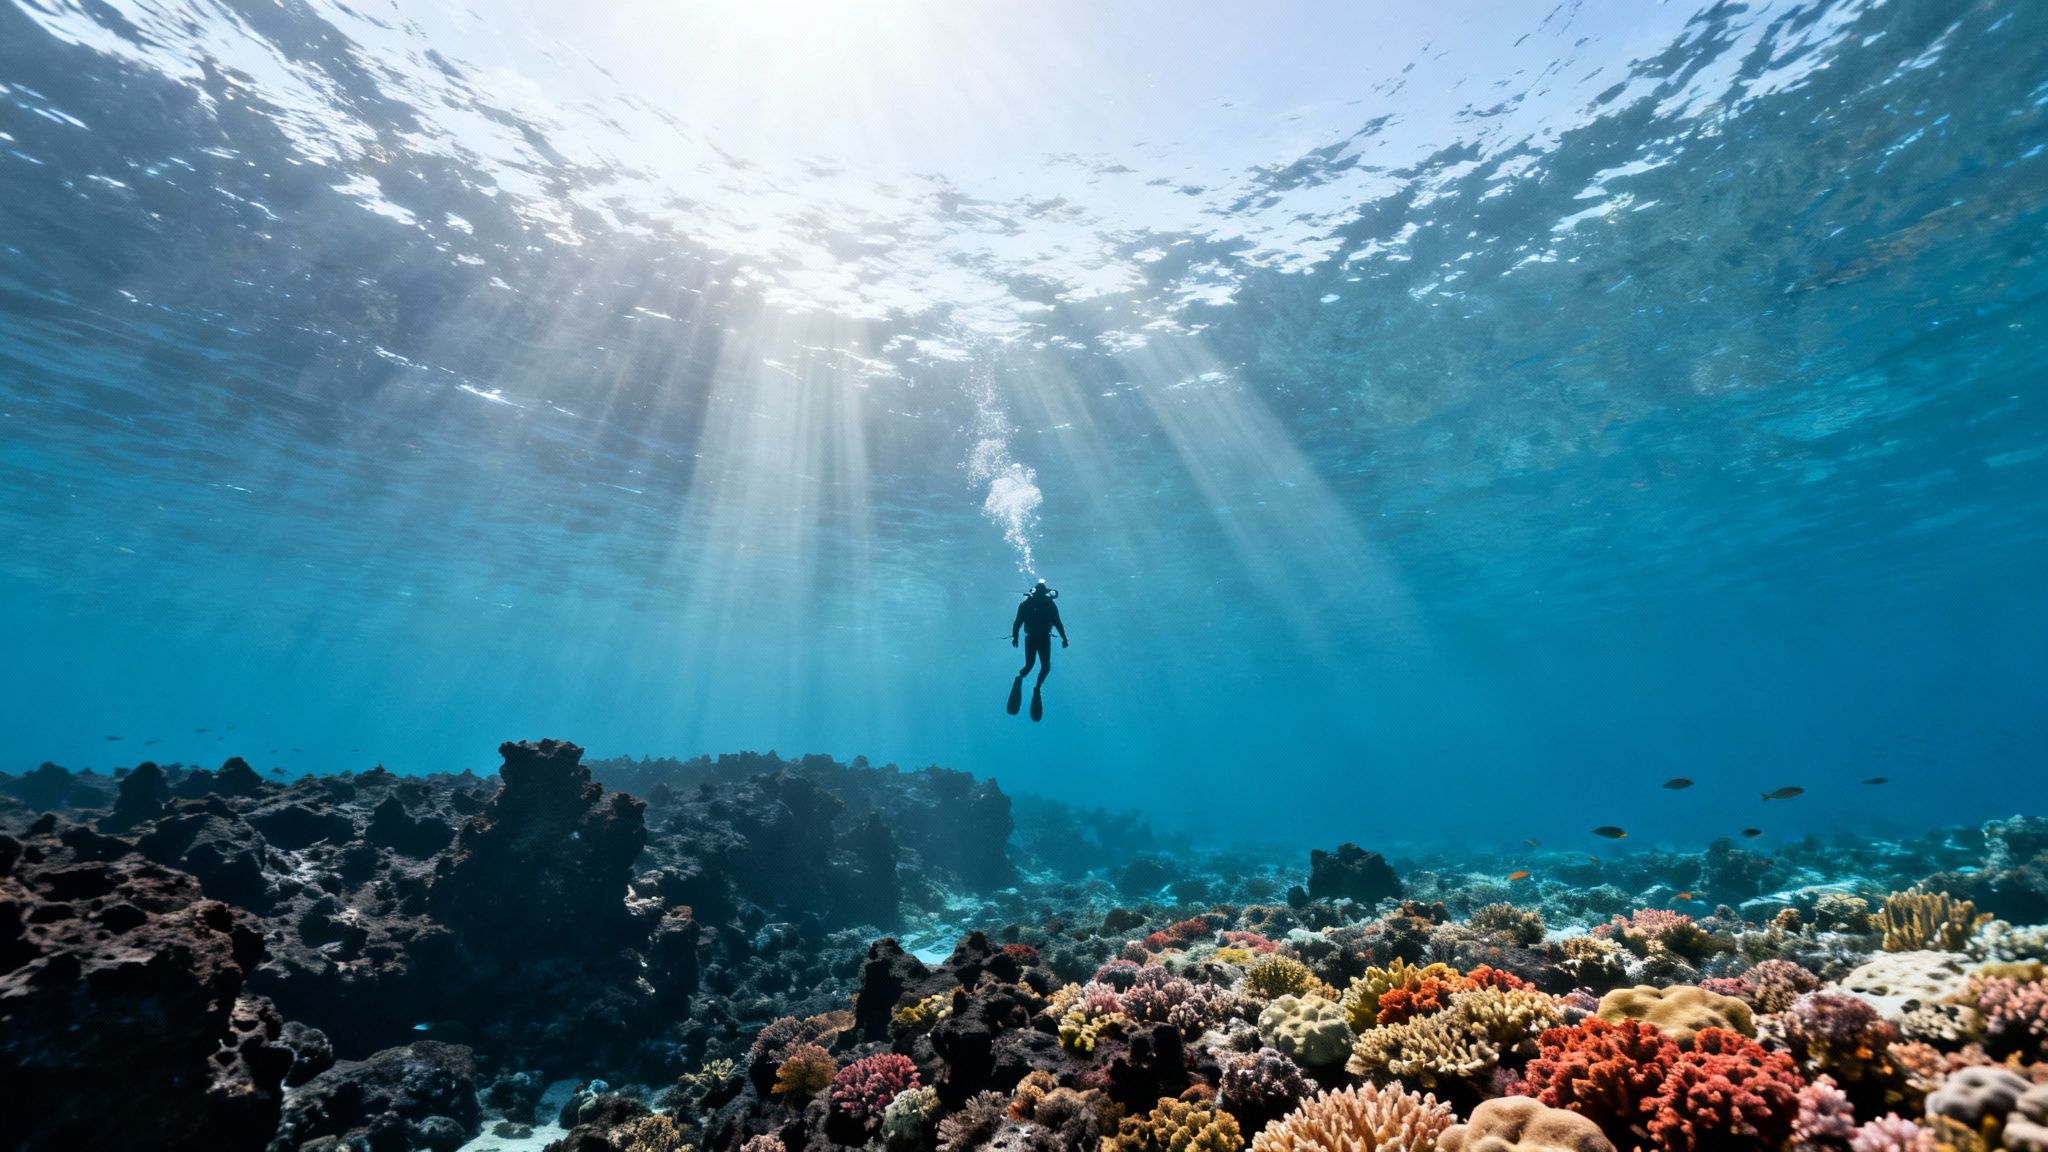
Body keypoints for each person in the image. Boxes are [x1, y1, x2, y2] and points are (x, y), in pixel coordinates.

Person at [1007, 580, 1067, 721]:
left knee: (1037, 666)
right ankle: (1032, 685)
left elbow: (1017, 624)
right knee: (1037, 666)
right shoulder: (1044, 604)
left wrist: (1015, 637)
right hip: (1038, 637)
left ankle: (1027, 683)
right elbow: (1058, 623)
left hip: (1037, 637)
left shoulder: (1029, 604)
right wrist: (1064, 638)